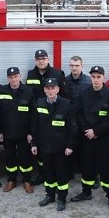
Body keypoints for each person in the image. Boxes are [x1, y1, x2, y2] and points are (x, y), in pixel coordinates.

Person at [71, 66, 109, 212]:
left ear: (103, 77)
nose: (96, 80)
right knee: (87, 167)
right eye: (93, 77)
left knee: (106, 169)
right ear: (90, 77)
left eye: (99, 77)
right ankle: (86, 192)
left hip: (103, 139)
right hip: (87, 138)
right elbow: (78, 114)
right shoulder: (84, 94)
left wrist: (96, 131)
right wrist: (88, 131)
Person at [31, 78, 76, 211]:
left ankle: (62, 198)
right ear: (44, 90)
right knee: (48, 172)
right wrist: (34, 143)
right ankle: (50, 195)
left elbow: (72, 127)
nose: (50, 91)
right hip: (45, 146)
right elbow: (35, 125)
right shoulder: (39, 103)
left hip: (61, 147)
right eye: (48, 88)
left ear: (58, 89)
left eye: (53, 88)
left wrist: (70, 146)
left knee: (61, 174)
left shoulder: (66, 104)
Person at [26, 49, 68, 185]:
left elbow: (65, 95)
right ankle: (43, 174)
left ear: (48, 59)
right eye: (38, 59)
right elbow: (29, 96)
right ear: (35, 60)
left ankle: (58, 175)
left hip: (56, 114)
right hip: (39, 115)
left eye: (43, 58)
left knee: (56, 149)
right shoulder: (30, 74)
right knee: (41, 148)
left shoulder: (57, 73)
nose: (41, 61)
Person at [0, 67, 36, 194]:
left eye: (15, 76)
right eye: (11, 77)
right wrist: (0, 131)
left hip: (24, 133)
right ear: (8, 78)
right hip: (8, 132)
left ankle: (27, 181)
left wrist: (31, 133)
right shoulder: (2, 91)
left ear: (20, 76)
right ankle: (11, 180)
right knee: (9, 157)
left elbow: (33, 115)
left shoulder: (28, 91)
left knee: (26, 158)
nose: (13, 79)